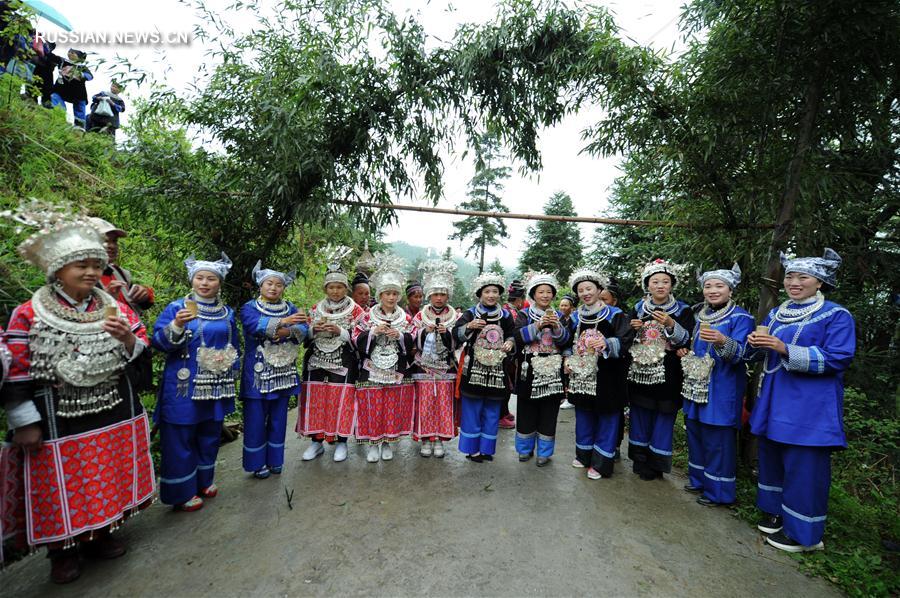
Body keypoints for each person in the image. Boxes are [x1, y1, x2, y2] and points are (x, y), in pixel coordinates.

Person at [0, 207, 154, 583]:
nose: (88, 272)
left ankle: (101, 532)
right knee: (58, 480)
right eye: (79, 265)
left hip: (111, 405)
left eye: (93, 264)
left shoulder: (112, 306)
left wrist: (127, 339)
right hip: (57, 414)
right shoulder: (28, 313)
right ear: (57, 269)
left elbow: (141, 343)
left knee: (104, 469)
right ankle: (62, 550)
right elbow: (16, 368)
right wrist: (24, 420)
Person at [746, 249, 855, 553]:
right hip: (775, 395)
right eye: (790, 276)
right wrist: (755, 343)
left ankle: (805, 534)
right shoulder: (777, 312)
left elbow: (839, 357)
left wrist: (783, 348)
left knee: (804, 463)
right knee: (772, 454)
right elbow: (762, 350)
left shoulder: (836, 315)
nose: (793, 282)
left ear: (819, 282)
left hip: (810, 404)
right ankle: (776, 511)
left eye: (802, 277)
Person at [151, 253, 240, 511]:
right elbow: (158, 342)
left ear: (219, 283)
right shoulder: (176, 308)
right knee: (181, 434)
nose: (204, 283)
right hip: (184, 384)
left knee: (210, 432)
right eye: (199, 278)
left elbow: (233, 343)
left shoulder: (226, 312)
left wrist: (232, 368)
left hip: (216, 381)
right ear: (192, 281)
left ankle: (204, 481)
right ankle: (181, 491)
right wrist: (177, 324)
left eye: (210, 278)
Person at [681, 264, 753, 506]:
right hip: (696, 383)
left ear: (730, 290)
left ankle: (719, 492)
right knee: (695, 430)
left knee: (718, 437)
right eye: (708, 286)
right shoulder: (700, 315)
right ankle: (699, 479)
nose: (712, 290)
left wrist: (723, 341)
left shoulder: (741, 317)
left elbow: (745, 354)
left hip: (723, 386)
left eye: (719, 286)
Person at [627, 259, 695, 481]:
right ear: (647, 285)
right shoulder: (638, 308)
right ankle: (640, 460)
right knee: (640, 413)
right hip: (641, 368)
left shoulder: (683, 310)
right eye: (655, 281)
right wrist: (633, 329)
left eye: (665, 281)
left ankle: (657, 463)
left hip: (669, 370)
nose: (660, 286)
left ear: (672, 285)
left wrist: (670, 324)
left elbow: (687, 341)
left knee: (664, 415)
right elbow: (627, 339)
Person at [239, 262, 307, 479]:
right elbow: (253, 326)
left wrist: (285, 331)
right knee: (256, 419)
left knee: (279, 418)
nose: (274, 288)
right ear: (260, 285)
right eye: (269, 283)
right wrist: (285, 323)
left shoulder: (290, 307)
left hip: (284, 373)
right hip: (257, 374)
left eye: (279, 285)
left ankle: (275, 459)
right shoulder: (249, 307)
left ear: (284, 288)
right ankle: (256, 463)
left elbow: (303, 328)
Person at [565, 268, 633, 479]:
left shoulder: (615, 315)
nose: (585, 293)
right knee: (584, 412)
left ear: (599, 289)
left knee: (607, 415)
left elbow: (626, 340)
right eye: (581, 290)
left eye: (589, 288)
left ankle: (602, 463)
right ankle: (584, 455)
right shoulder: (575, 317)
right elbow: (567, 341)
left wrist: (606, 343)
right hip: (582, 374)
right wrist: (568, 358)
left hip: (608, 376)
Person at [297, 263, 366, 462]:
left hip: (344, 362)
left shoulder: (357, 311)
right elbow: (303, 336)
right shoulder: (315, 308)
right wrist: (313, 330)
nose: (335, 291)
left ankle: (342, 441)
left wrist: (341, 332)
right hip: (316, 361)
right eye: (331, 287)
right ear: (325, 289)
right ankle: (316, 442)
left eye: (339, 287)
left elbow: (362, 339)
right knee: (316, 400)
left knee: (342, 401)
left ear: (346, 289)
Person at [352, 253, 415, 462]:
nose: (391, 297)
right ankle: (373, 442)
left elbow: (414, 338)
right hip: (371, 370)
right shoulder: (367, 316)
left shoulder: (406, 318)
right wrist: (372, 332)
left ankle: (388, 441)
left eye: (395, 294)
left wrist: (401, 336)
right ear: (380, 295)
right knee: (372, 405)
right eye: (387, 293)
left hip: (396, 370)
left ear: (399, 296)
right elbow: (354, 337)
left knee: (391, 405)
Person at [454, 272, 516, 462]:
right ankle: (472, 449)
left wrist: (511, 343)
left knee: (492, 410)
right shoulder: (470, 313)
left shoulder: (505, 315)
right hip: (474, 369)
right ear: (480, 294)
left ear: (499, 294)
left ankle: (487, 449)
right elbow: (456, 334)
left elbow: (512, 334)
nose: (491, 295)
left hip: (497, 370)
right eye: (487, 291)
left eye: (495, 291)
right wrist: (469, 326)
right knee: (472, 409)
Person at [512, 272, 571, 466]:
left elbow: (566, 341)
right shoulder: (524, 315)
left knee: (549, 409)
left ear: (553, 295)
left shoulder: (561, 316)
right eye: (540, 292)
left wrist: (556, 328)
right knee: (526, 408)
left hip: (553, 369)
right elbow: (518, 337)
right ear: (533, 294)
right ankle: (524, 448)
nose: (545, 295)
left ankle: (544, 452)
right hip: (529, 367)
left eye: (548, 292)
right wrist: (538, 325)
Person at [410, 259, 459, 458]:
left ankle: (439, 438)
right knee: (425, 403)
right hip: (423, 368)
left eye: (443, 294)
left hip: (445, 369)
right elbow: (410, 340)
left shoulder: (455, 316)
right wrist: (424, 332)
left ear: (448, 295)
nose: (439, 298)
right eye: (435, 294)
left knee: (443, 403)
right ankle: (424, 438)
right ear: (429, 295)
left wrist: (446, 333)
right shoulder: (419, 317)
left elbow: (458, 342)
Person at [89, 217, 155, 314]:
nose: (112, 246)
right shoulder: (82, 278)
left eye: (114, 241)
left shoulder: (120, 273)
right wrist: (108, 301)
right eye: (105, 241)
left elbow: (143, 304)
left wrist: (144, 294)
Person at [599, 277, 627, 457]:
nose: (600, 303)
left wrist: (606, 344)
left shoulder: (617, 315)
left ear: (614, 301)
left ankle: (613, 446)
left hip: (613, 370)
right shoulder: (585, 314)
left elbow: (624, 343)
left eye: (605, 299)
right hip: (593, 372)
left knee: (612, 408)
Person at [498, 279, 526, 429]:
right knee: (505, 384)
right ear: (519, 299)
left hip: (510, 353)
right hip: (507, 353)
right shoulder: (510, 313)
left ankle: (504, 411)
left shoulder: (508, 310)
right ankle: (501, 415)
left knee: (507, 383)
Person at [50, 49, 93, 129]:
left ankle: (79, 127)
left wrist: (79, 74)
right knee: (55, 98)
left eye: (73, 53)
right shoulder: (63, 61)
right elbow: (52, 57)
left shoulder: (82, 67)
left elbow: (90, 76)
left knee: (80, 108)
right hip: (61, 88)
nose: (70, 54)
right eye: (69, 52)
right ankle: (59, 117)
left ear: (79, 57)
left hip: (78, 91)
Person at [557, 293, 578, 410]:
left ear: (572, 307)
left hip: (570, 350)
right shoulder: (558, 318)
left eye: (566, 305)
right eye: (561, 305)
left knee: (568, 374)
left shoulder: (575, 320)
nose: (563, 308)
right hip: (559, 350)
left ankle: (569, 398)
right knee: (561, 374)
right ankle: (562, 396)